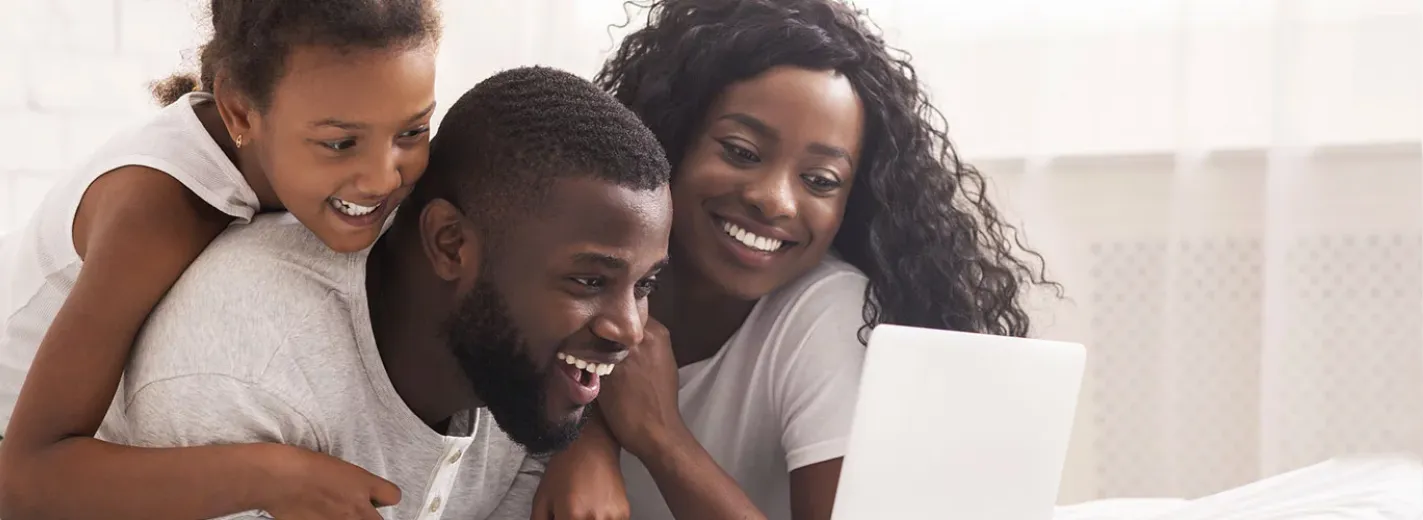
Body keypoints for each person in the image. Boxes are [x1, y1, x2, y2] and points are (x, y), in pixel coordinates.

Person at [4, 66, 674, 520]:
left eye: (643, 285)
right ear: (449, 245)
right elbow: (26, 477)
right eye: (590, 281)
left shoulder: (524, 375)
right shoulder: (242, 367)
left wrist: (593, 445)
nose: (628, 328)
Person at [528, 1, 1060, 519]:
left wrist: (661, 437)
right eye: (741, 151)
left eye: (820, 180)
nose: (775, 200)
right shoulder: (578, 272)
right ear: (668, 138)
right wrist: (586, 437)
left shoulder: (830, 312)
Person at [0, 0, 441, 516]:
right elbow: (23, 480)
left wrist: (562, 444)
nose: (384, 178)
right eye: (341, 143)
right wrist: (275, 476)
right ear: (238, 111)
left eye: (412, 131)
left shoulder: (333, 130)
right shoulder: (156, 211)